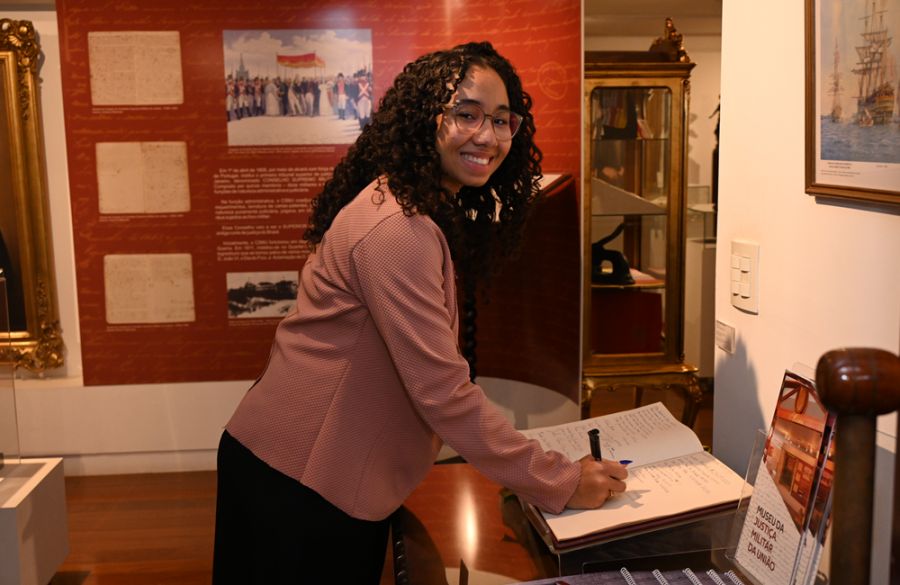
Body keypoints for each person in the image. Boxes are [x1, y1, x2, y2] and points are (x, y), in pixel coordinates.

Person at [213, 41, 628, 584]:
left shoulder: (414, 208)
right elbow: (442, 393)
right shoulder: (397, 231)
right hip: (298, 483)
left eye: (503, 120)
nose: (488, 135)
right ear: (421, 118)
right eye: (467, 114)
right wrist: (560, 480)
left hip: (313, 471)